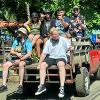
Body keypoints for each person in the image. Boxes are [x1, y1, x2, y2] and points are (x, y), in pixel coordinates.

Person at [35, 27, 71, 98]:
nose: (57, 35)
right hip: (51, 57)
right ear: (51, 35)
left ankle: (62, 87)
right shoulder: (48, 41)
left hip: (61, 56)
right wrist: (39, 64)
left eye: (57, 34)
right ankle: (42, 85)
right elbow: (44, 54)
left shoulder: (63, 39)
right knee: (42, 65)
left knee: (60, 65)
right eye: (55, 34)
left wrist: (70, 47)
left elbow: (69, 46)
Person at [0, 27, 32, 94]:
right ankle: (4, 85)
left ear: (23, 34)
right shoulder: (16, 40)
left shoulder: (28, 41)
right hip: (16, 58)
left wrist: (20, 59)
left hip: (26, 58)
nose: (18, 33)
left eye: (19, 32)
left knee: (21, 64)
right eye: (18, 32)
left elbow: (29, 54)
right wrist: (16, 53)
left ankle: (20, 85)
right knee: (5, 65)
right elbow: (11, 51)